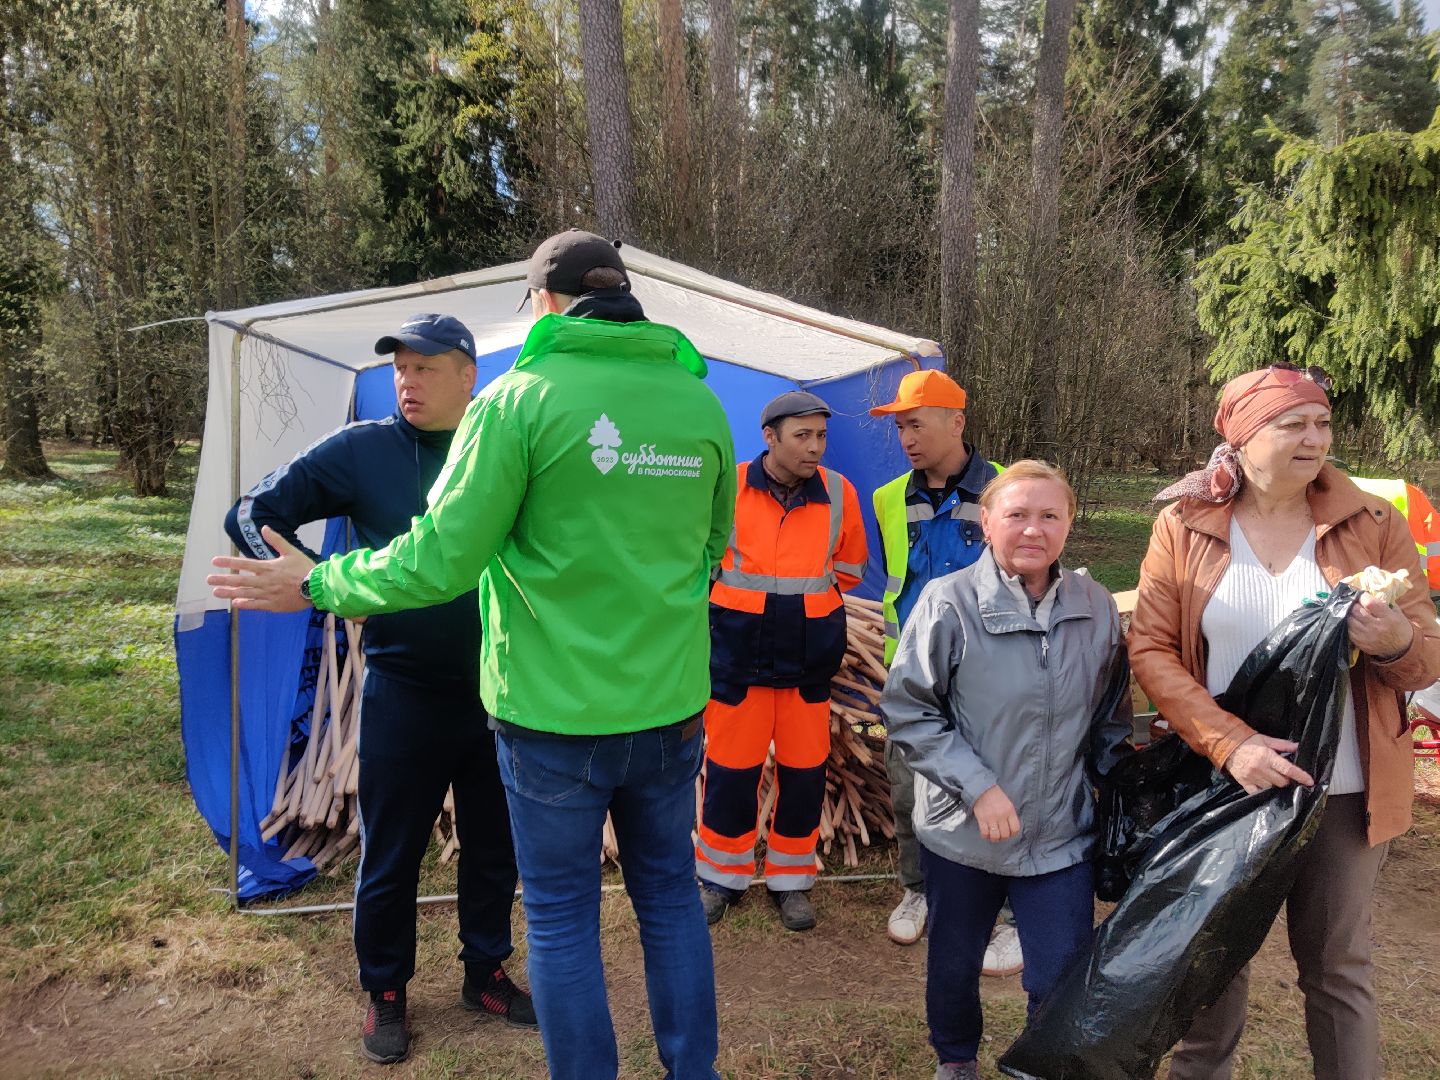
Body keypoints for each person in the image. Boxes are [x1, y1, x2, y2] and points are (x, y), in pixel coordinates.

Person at [209, 230, 737, 1080]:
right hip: (670, 713)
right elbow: (713, 548)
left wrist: (318, 585)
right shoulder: (698, 405)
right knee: (671, 899)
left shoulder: (519, 399)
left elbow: (439, 560)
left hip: (551, 717)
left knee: (562, 918)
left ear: (548, 302)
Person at [223, 313, 533, 1064]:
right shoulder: (364, 451)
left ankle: (486, 972)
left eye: (425, 366)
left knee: (494, 847)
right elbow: (252, 512)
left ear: (469, 375)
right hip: (402, 687)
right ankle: (386, 991)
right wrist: (305, 578)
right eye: (400, 366)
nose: (407, 379)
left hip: (500, 687)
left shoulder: (503, 448)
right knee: (390, 854)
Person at [1128, 365, 1440, 1080]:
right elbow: (1149, 647)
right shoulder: (1184, 525)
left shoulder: (1375, 524)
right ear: (1242, 437)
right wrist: (1230, 743)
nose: (1314, 437)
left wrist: (1392, 639)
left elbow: (1426, 657)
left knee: (1337, 967)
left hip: (1345, 790)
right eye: (1291, 423)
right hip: (1224, 782)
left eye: (1322, 423)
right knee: (1210, 958)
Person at [881, 461, 1133, 1080]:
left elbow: (1111, 720)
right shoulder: (949, 604)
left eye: (1049, 515)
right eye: (1017, 514)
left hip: (1057, 834)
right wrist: (979, 787)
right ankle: (956, 1061)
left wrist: (1124, 797)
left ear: (1069, 524)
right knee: (954, 962)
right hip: (963, 832)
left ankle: (1036, 1067)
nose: (1032, 530)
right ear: (987, 522)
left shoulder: (1096, 607)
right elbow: (909, 711)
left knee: (1058, 972)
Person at [696, 390, 868, 932]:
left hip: (807, 662)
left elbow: (850, 571)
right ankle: (722, 878)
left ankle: (791, 881)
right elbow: (701, 560)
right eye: (803, 436)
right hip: (737, 658)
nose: (815, 447)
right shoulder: (728, 487)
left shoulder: (840, 493)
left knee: (804, 773)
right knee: (729, 772)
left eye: (821, 436)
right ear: (769, 436)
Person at [868, 369, 1017, 973]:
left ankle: (1006, 915)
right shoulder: (886, 498)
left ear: (956, 422)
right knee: (907, 788)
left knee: (994, 789)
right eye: (900, 426)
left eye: (916, 423)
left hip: (988, 673)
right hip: (912, 676)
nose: (906, 436)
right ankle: (918, 889)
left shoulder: (1008, 490)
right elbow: (895, 583)